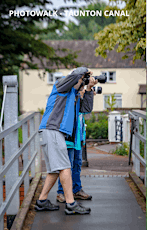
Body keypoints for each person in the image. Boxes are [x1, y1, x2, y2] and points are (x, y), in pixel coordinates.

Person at [35, 67, 97, 215]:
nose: (82, 81)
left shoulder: (72, 96)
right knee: (65, 167)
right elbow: (75, 75)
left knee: (55, 170)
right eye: (82, 79)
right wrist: (86, 71)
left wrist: (88, 89)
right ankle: (71, 204)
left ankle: (41, 201)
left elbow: (86, 109)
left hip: (53, 132)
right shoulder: (61, 85)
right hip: (53, 130)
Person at [56, 88, 93, 203]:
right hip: (69, 140)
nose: (82, 90)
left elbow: (87, 110)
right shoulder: (70, 99)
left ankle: (76, 190)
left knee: (77, 165)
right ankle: (61, 192)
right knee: (67, 166)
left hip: (78, 139)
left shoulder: (80, 102)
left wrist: (88, 93)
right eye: (81, 88)